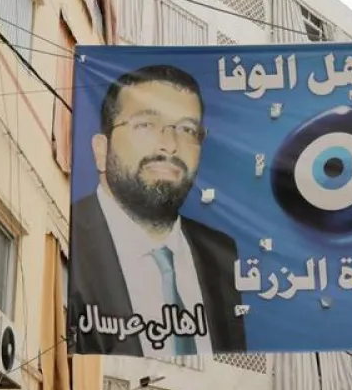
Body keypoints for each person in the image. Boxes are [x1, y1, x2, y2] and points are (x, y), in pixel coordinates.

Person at [70, 64, 247, 357]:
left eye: (187, 129)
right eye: (146, 125)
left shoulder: (223, 256)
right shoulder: (66, 233)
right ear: (101, 150)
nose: (169, 145)